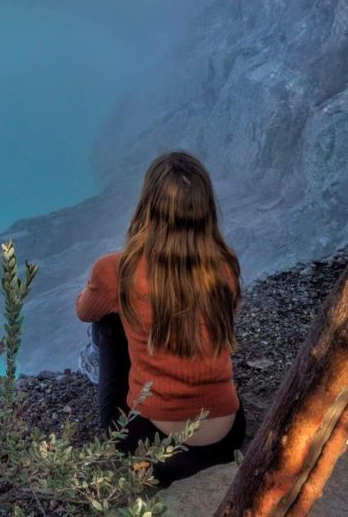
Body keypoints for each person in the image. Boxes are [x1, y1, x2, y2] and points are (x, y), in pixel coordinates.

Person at [75, 151, 246, 487]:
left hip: (154, 448)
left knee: (107, 323)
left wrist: (107, 290)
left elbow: (83, 310)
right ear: (205, 209)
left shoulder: (117, 269)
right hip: (227, 437)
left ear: (147, 206)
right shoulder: (225, 266)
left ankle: (117, 386)